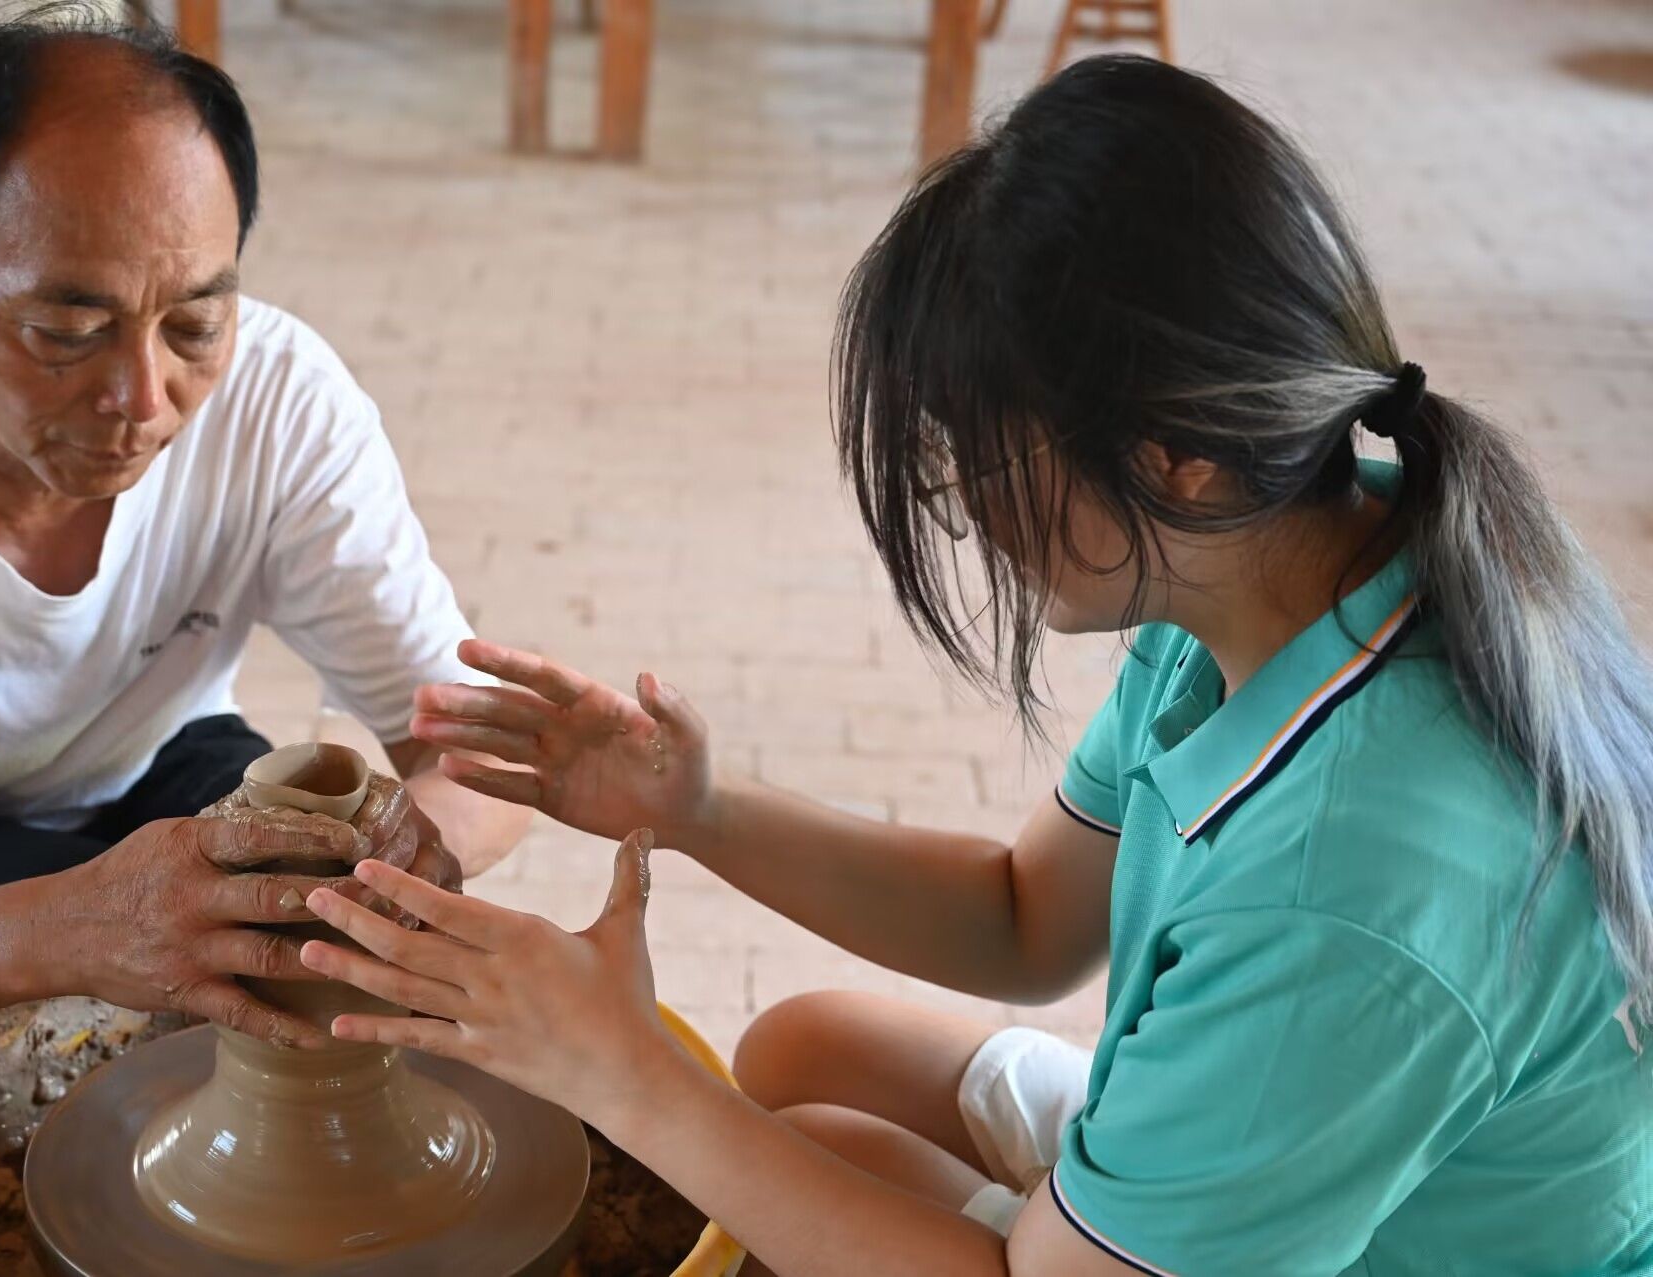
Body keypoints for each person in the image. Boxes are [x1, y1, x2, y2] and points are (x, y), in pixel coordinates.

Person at [297, 56, 1653, 1276]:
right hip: (1326, 1123)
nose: (962, 508)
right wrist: (692, 809)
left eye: (971, 456)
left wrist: (626, 1077)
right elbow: (1022, 918)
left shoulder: (1351, 881)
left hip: (1393, 1212)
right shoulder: (1289, 549)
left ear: (1173, 454)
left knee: (779, 1152)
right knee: (802, 1056)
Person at [0, 9, 526, 1042]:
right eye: (70, 330)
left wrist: (394, 867)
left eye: (194, 324)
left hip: (151, 765)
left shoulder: (281, 400)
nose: (144, 399)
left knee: (331, 987)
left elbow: (481, 760)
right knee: (101, 1029)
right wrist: (74, 929)